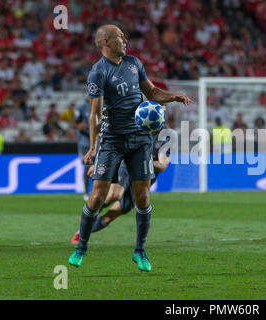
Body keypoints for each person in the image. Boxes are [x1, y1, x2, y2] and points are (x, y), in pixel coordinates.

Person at [68, 25, 191, 271]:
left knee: (142, 196)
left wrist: (173, 96)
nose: (125, 39)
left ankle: (140, 251)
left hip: (140, 139)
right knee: (98, 197)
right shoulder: (98, 72)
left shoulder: (134, 63)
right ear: (105, 41)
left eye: (125, 35)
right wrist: (93, 148)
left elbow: (152, 92)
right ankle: (81, 248)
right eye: (119, 36)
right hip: (112, 141)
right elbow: (94, 114)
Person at [70, 126, 173, 244]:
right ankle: (89, 213)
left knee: (113, 214)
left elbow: (162, 166)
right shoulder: (135, 123)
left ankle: (81, 232)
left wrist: (142, 160)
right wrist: (98, 163)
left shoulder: (167, 136)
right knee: (114, 195)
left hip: (144, 176)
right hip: (126, 166)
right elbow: (110, 141)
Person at [74, 99, 91, 201]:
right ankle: (86, 192)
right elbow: (75, 123)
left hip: (98, 141)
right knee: (87, 166)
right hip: (85, 142)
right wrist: (78, 126)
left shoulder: (101, 105)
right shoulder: (82, 108)